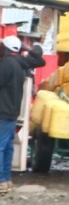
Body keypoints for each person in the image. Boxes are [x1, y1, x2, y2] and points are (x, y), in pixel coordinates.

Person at [0, 35, 42, 194]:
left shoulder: (5, 64)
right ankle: (6, 180)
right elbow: (40, 61)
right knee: (7, 147)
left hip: (2, 112)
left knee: (1, 147)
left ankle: (1, 181)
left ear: (6, 48)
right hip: (12, 113)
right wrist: (28, 49)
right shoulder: (19, 63)